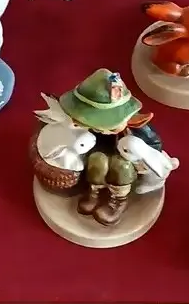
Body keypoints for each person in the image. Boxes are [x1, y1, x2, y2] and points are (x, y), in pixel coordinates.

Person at [56, 69, 158, 226]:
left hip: (126, 164)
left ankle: (118, 199)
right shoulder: (88, 130)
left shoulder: (139, 131)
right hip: (98, 156)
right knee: (97, 159)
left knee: (121, 165)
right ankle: (94, 191)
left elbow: (154, 146)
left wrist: (141, 156)